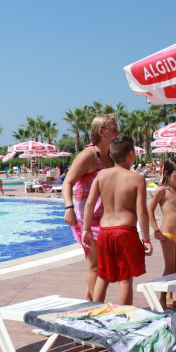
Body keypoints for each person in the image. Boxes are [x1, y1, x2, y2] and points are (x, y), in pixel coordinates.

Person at [82, 135, 152, 305]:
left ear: (111, 155)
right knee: (125, 279)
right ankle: (124, 315)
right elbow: (142, 212)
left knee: (102, 276)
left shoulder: (101, 176)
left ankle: (96, 312)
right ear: (131, 154)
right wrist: (146, 239)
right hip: (125, 232)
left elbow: (89, 204)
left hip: (105, 232)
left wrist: (86, 229)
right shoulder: (137, 179)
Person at [63, 114, 118, 300]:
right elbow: (68, 182)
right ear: (101, 131)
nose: (118, 133)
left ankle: (88, 302)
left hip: (105, 217)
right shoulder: (88, 155)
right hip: (86, 218)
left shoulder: (111, 156)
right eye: (114, 129)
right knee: (96, 264)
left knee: (101, 263)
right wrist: (68, 207)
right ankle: (97, 308)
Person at [148, 157, 176, 308]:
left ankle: (169, 297)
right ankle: (162, 298)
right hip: (167, 235)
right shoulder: (162, 191)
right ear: (166, 173)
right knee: (169, 267)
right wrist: (156, 230)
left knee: (175, 266)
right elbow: (150, 210)